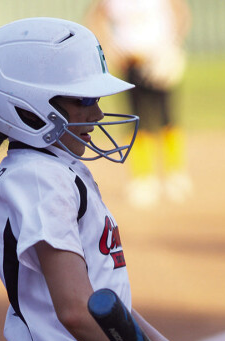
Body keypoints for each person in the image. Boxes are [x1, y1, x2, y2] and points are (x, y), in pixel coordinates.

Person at [0, 17, 225, 341]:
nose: (99, 114)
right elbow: (77, 311)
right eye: (84, 100)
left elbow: (102, 303)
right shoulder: (38, 179)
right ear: (29, 105)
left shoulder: (50, 170)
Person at [86, 0, 193, 207]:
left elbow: (181, 11)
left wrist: (174, 45)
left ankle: (175, 174)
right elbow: (95, 17)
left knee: (167, 116)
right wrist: (109, 47)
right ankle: (143, 178)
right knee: (136, 119)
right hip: (131, 62)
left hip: (160, 60)